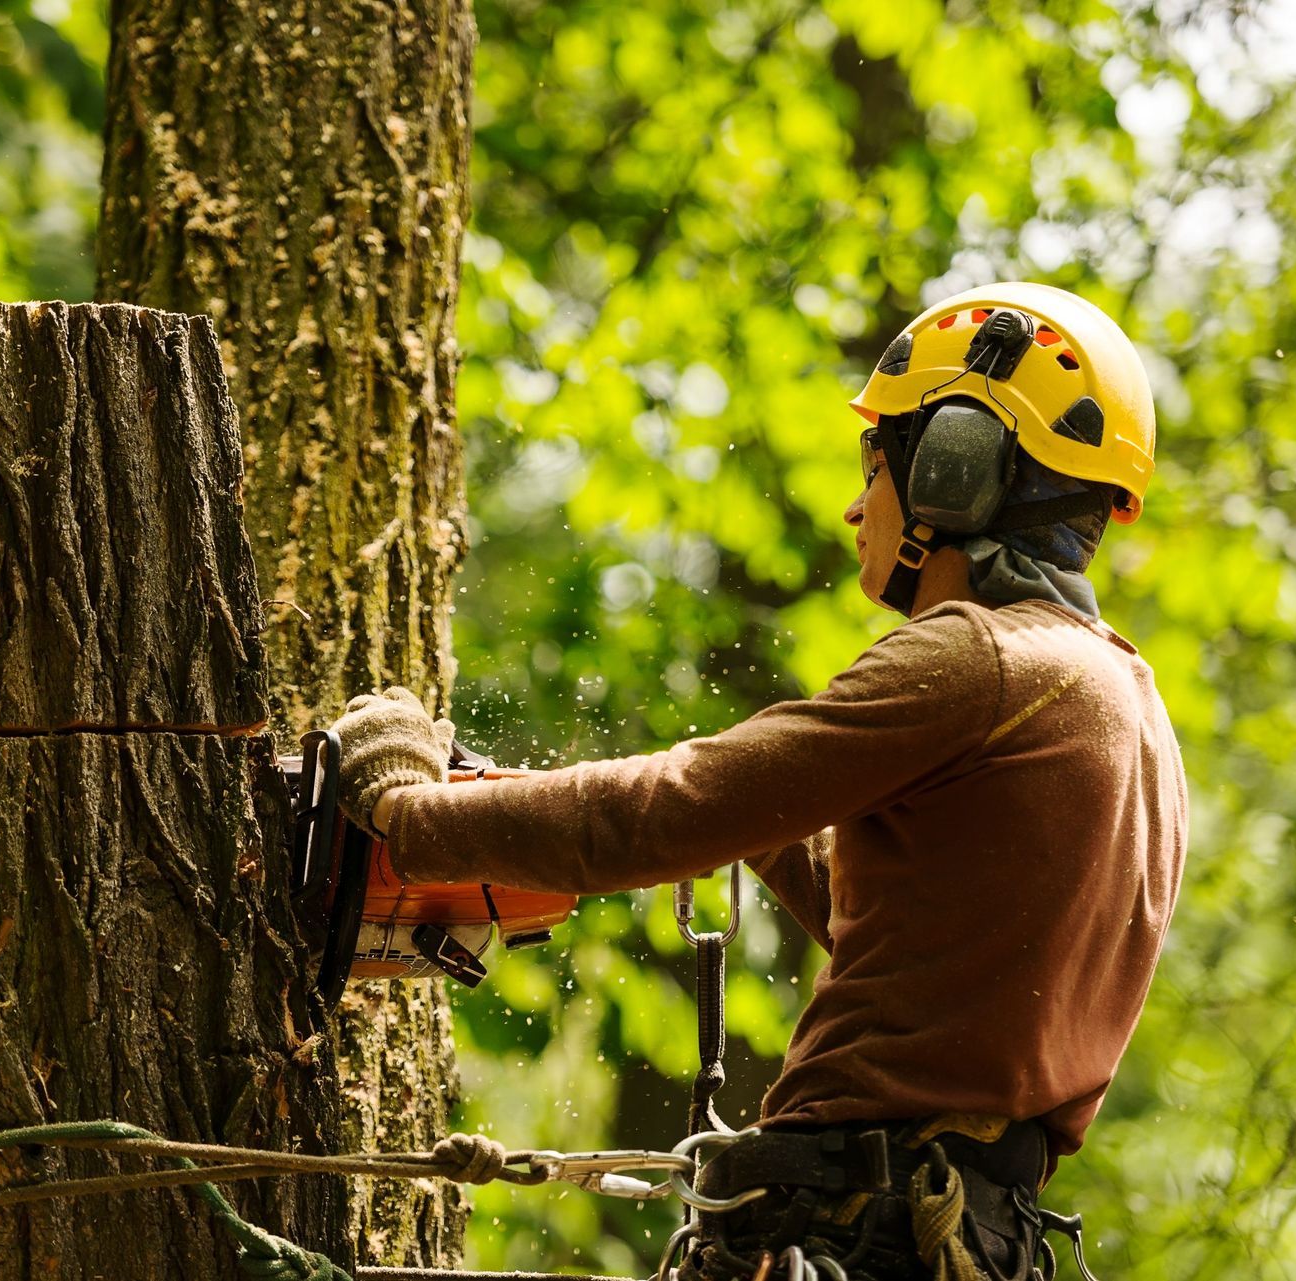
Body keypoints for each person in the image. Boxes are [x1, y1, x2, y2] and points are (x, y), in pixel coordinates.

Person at [333, 283, 1188, 1281]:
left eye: (878, 470)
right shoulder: (1125, 700)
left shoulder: (980, 658)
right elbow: (932, 947)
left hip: (859, 1224)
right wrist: (770, 826)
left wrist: (409, 811)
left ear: (958, 466)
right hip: (962, 1235)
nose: (855, 506)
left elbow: (658, 813)